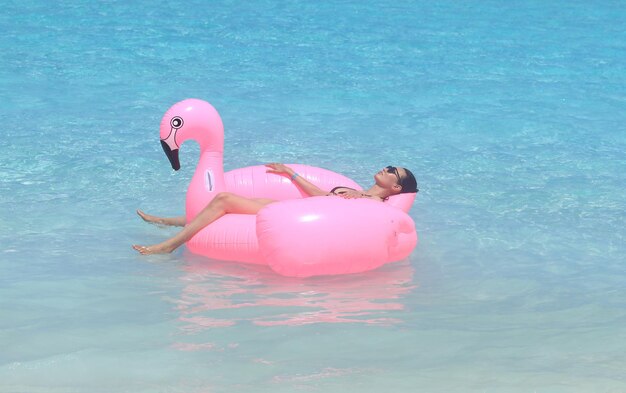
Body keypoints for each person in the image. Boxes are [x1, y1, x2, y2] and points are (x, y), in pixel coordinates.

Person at [132, 163, 418, 255]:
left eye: (393, 171)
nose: (386, 167)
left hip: (292, 222)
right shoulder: (354, 191)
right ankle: (163, 220)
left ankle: (169, 246)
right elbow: (320, 196)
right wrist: (290, 173)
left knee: (223, 200)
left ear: (395, 188)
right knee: (225, 211)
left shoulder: (376, 206)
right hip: (288, 208)